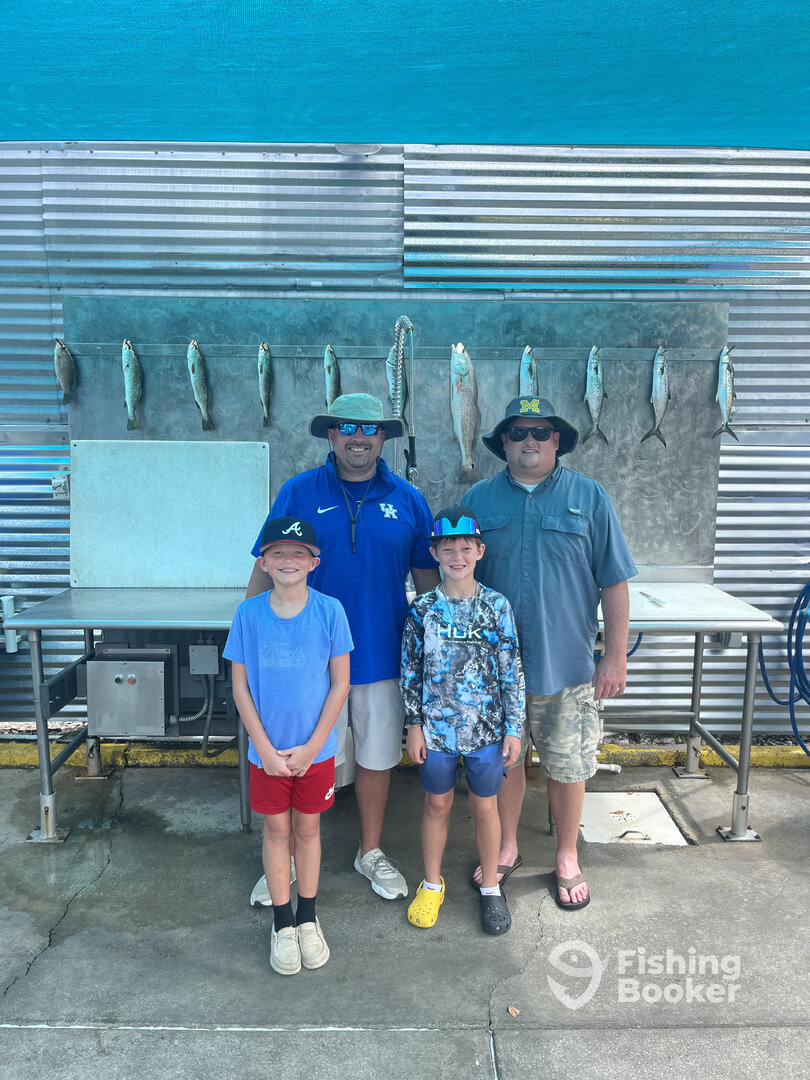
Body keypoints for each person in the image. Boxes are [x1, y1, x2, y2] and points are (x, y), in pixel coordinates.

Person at [246, 394, 440, 902]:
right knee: (300, 757)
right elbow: (265, 565)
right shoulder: (298, 492)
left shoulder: (408, 500)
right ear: (331, 435)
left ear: (384, 438)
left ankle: (369, 851)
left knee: (376, 757)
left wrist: (434, 652)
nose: (359, 437)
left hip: (381, 654)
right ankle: (284, 857)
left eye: (370, 428)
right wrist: (248, 634)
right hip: (307, 663)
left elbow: (428, 584)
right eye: (347, 427)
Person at [465, 396, 637, 910]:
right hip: (494, 672)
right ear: (503, 443)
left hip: (567, 665)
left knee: (568, 766)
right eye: (518, 433)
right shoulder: (477, 499)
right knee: (505, 764)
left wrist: (615, 656)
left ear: (557, 441)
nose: (530, 441)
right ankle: (508, 846)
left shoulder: (589, 496)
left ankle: (566, 854)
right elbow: (457, 576)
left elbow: (614, 580)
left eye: (541, 432)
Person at [224, 517, 352, 975]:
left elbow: (340, 684)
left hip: (314, 753)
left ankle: (308, 918)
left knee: (308, 831)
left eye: (299, 553)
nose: (288, 560)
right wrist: (263, 747)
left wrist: (313, 746)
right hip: (267, 754)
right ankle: (282, 923)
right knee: (277, 832)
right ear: (263, 562)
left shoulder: (330, 612)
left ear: (314, 562)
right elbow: (240, 687)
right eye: (277, 552)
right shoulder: (248, 615)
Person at [401, 507, 525, 935]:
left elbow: (511, 670)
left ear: (480, 552)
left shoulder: (497, 606)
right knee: (437, 804)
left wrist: (514, 727)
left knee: (484, 807)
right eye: (448, 549)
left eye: (466, 549)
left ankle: (491, 886)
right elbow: (410, 670)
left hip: (486, 731)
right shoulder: (423, 609)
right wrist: (413, 725)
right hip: (435, 731)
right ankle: (431, 884)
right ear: (434, 553)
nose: (457, 557)